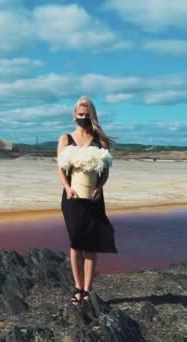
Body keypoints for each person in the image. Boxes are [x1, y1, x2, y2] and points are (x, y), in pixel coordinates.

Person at [56, 96, 118, 306]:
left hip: (93, 198)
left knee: (91, 245)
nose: (83, 118)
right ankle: (76, 287)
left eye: (86, 114)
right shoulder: (65, 139)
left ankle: (87, 289)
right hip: (72, 198)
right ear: (74, 115)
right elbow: (60, 169)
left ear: (92, 116)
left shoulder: (100, 141)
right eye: (80, 114)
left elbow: (105, 172)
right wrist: (67, 187)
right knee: (76, 243)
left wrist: (100, 188)